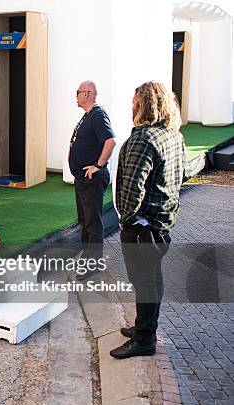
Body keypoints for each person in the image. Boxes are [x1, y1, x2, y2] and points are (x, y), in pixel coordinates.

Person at [110, 81, 186, 359]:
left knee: (145, 282)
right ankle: (144, 327)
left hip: (142, 227)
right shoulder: (173, 135)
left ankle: (144, 339)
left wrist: (126, 218)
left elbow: (132, 188)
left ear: (145, 104)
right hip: (163, 224)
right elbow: (181, 176)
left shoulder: (144, 138)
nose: (131, 107)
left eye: (134, 102)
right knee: (151, 279)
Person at [69, 81, 116, 280]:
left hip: (91, 179)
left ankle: (93, 263)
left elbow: (111, 141)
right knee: (85, 220)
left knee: (92, 222)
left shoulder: (97, 115)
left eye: (78, 92)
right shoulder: (89, 115)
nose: (76, 96)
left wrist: (98, 165)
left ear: (87, 94)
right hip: (83, 179)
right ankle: (88, 257)